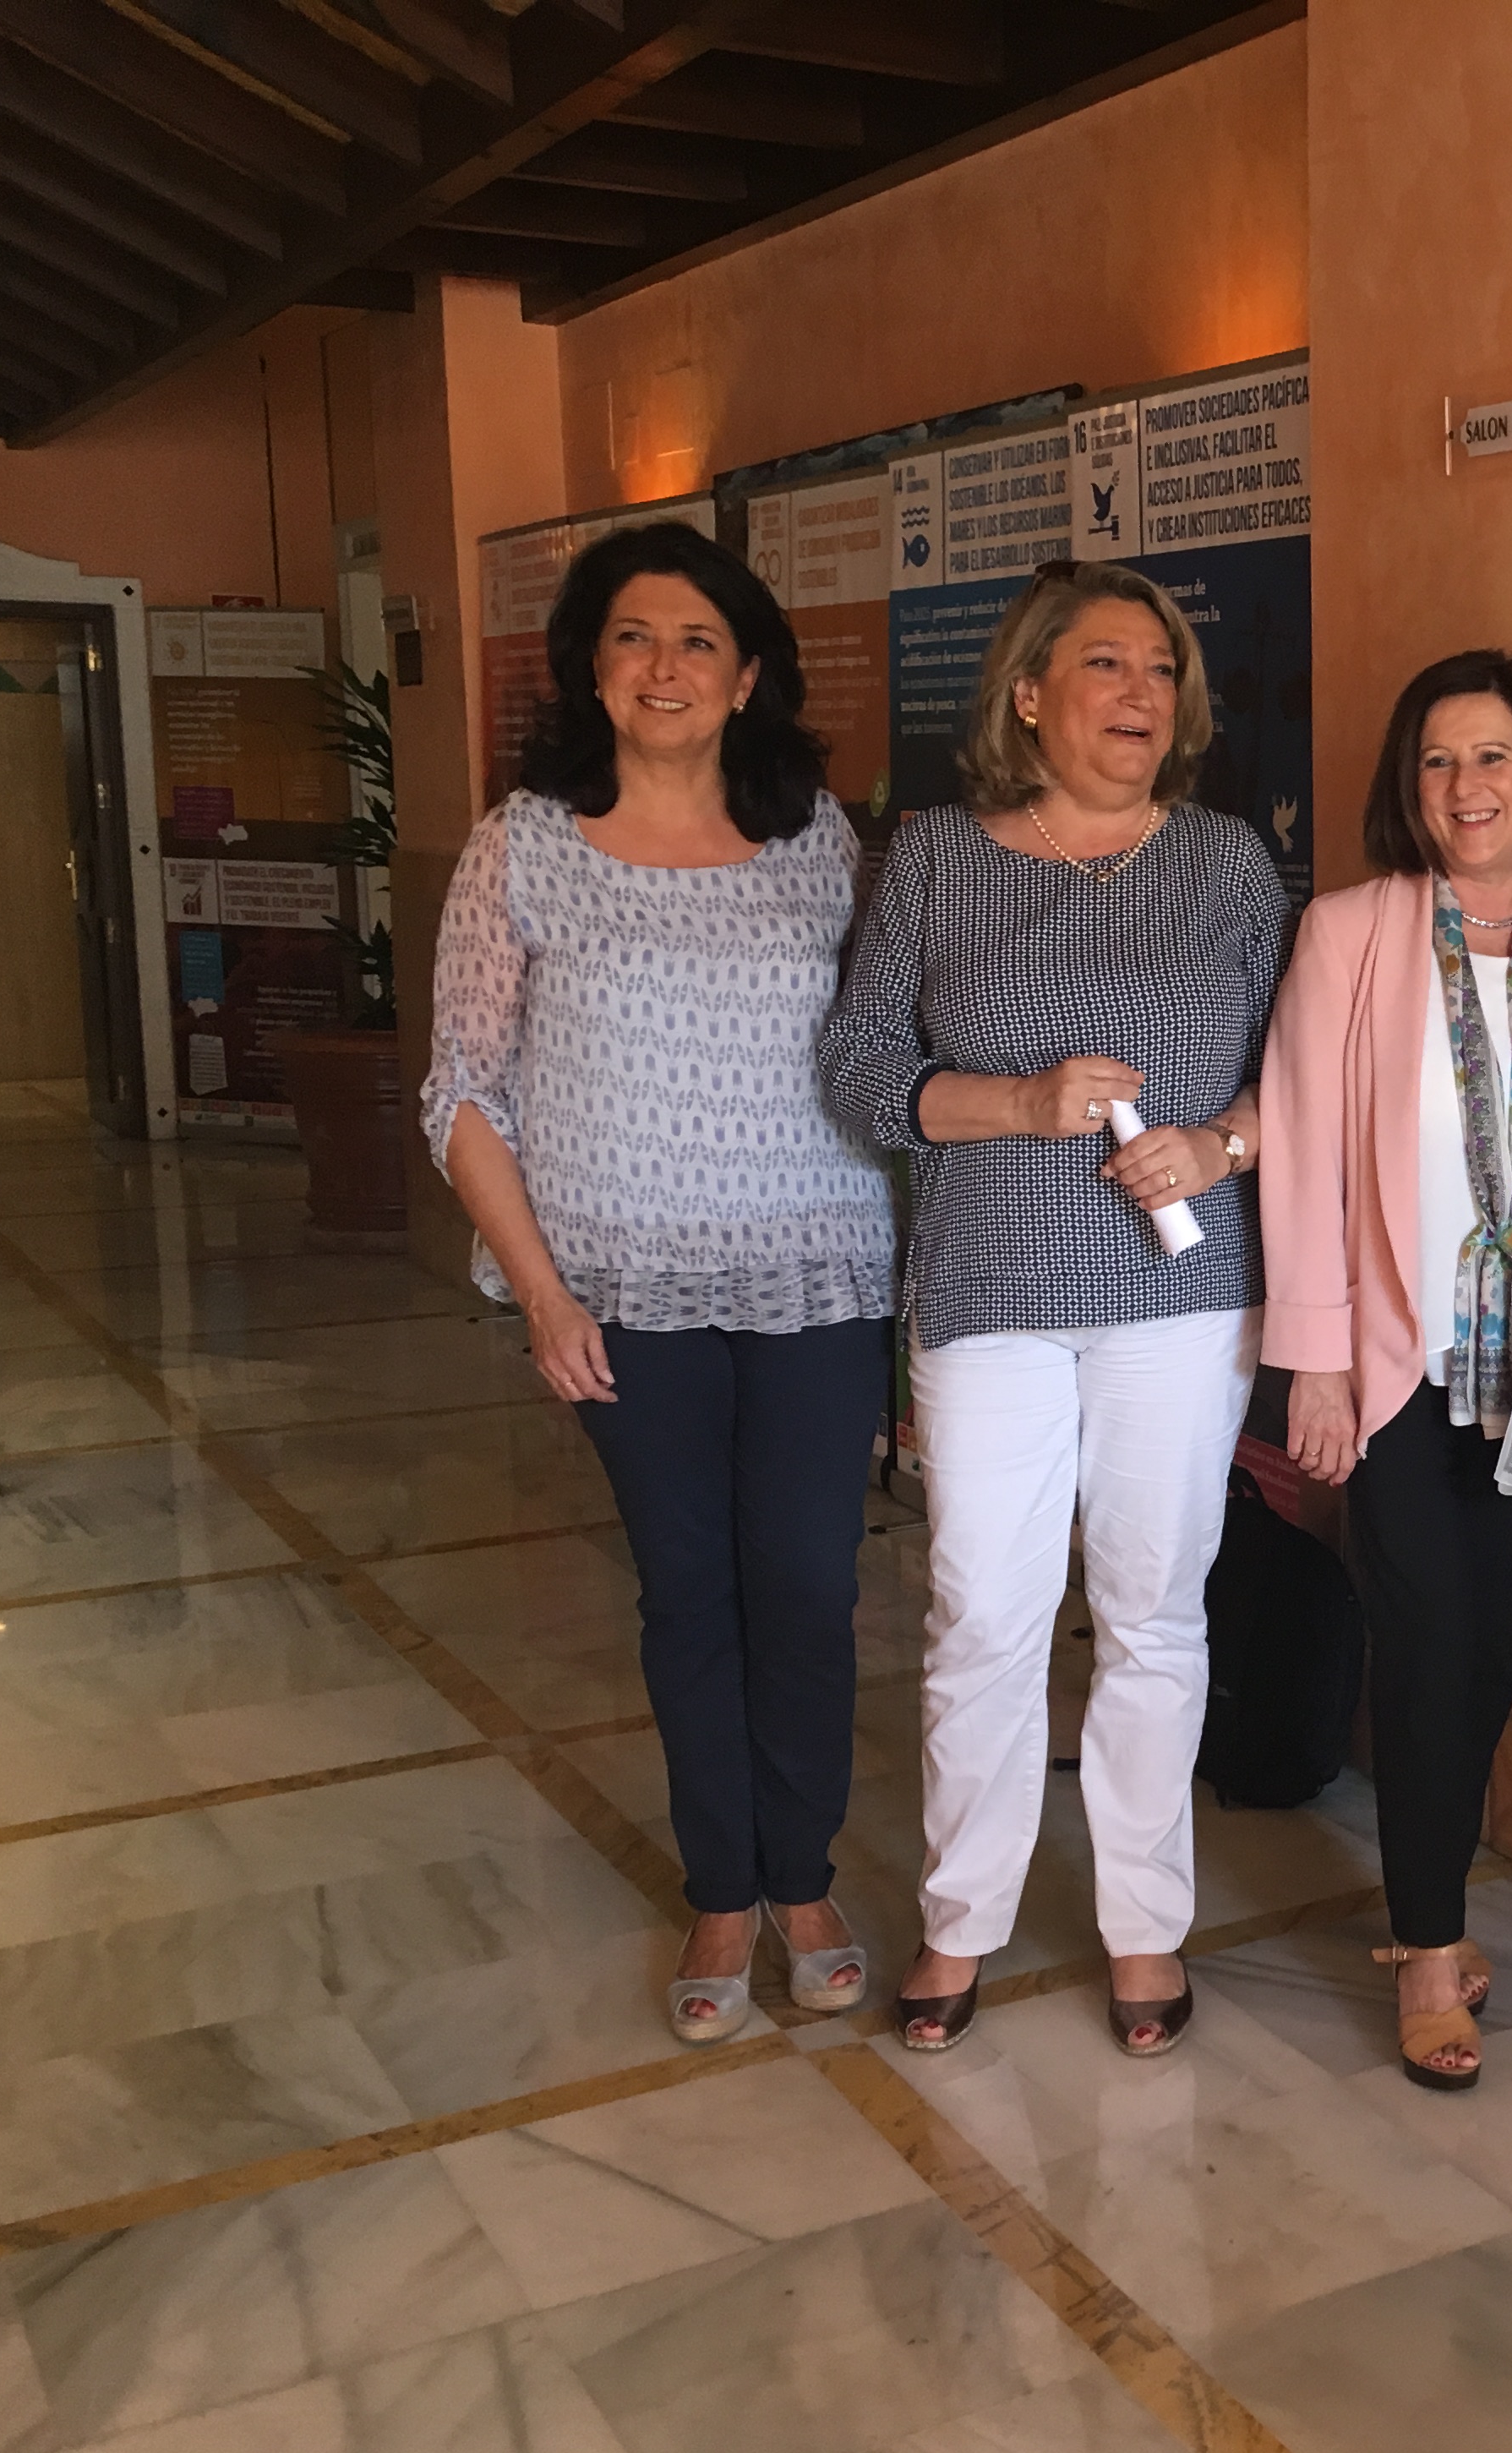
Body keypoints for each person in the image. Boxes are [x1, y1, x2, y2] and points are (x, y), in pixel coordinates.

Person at [422, 520, 894, 2046]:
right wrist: (541, 1292)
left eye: (699, 640)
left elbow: (881, 1049)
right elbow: (462, 1090)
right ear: (592, 668)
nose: (666, 665)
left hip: (820, 1276)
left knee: (809, 1587)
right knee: (691, 1590)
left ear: (748, 676)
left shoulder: (817, 840)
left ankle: (803, 1880)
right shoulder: (522, 846)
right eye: (634, 636)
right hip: (620, 1291)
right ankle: (723, 1890)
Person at [819, 559, 1286, 2060]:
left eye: (1161, 669)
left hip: (1179, 1290)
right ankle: (962, 1918)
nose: (1142, 693)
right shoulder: (938, 860)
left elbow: (1302, 1070)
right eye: (1106, 664)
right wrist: (1017, 1103)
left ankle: (1145, 1926)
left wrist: (1219, 1145)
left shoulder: (1226, 864)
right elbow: (859, 1070)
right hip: (989, 1285)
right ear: (1029, 695)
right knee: (985, 1612)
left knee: (1153, 1613)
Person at [1261, 651, 1512, 2092]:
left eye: (1491, 757)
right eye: (1436, 760)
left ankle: (1440, 1892)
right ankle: (1425, 1944)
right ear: (1406, 786)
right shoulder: (1351, 931)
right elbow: (1300, 1146)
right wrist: (1315, 1362)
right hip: (1397, 1359)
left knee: (1488, 1650)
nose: (1464, 786)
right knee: (1422, 1640)